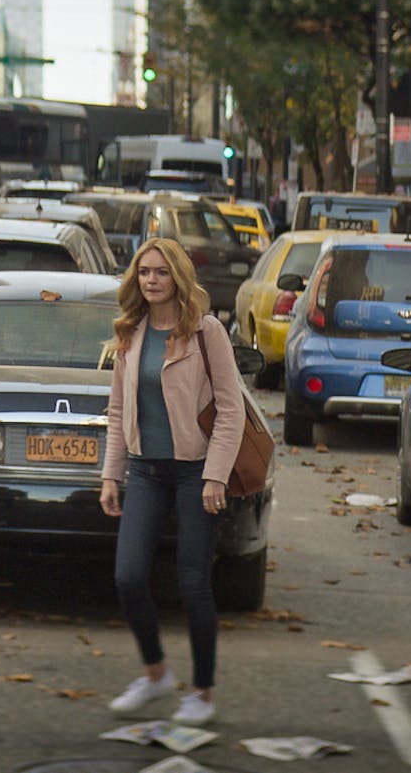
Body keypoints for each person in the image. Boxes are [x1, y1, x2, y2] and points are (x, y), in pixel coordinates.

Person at [99, 237, 246, 727]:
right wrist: (111, 473)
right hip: (145, 470)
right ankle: (156, 673)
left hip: (194, 472)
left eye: (161, 272)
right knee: (127, 576)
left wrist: (215, 475)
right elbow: (118, 410)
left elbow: (231, 409)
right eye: (144, 272)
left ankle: (202, 692)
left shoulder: (206, 331)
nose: (152, 280)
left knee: (193, 583)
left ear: (178, 277)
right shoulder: (131, 330)